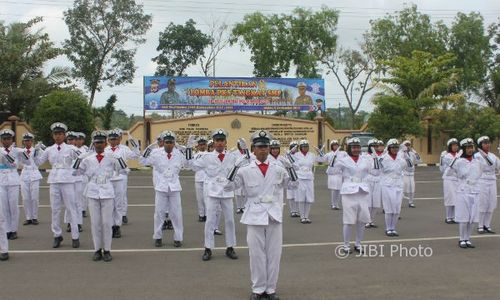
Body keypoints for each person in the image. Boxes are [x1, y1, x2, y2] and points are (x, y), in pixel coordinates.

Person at [225, 130, 296, 300]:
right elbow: (228, 187)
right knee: (256, 254)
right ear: (253, 149)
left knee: (274, 254)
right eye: (259, 147)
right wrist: (235, 166)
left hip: (274, 215)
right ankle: (258, 288)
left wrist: (291, 167)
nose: (263, 150)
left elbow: (294, 185)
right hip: (254, 215)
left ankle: (271, 289)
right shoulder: (245, 169)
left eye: (266, 146)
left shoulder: (278, 168)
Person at [74, 130, 128, 262]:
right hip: (92, 192)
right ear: (93, 143)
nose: (98, 145)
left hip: (107, 192)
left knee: (106, 223)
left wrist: (119, 159)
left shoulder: (112, 157)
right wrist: (79, 158)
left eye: (101, 142)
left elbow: (125, 171)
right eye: (96, 142)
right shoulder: (87, 159)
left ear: (105, 143)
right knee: (95, 223)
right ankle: (97, 249)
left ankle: (107, 250)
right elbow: (75, 172)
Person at [190, 129, 240, 261]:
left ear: (225, 142)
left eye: (222, 140)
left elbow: (245, 163)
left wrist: (245, 150)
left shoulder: (232, 156)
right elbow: (193, 167)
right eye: (217, 140)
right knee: (210, 221)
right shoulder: (207, 157)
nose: (219, 143)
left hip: (227, 192)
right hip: (212, 193)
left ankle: (230, 247)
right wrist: (189, 149)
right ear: (213, 142)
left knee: (230, 220)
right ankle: (208, 248)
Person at [139, 131, 190, 248]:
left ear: (174, 143)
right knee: (159, 213)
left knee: (176, 214)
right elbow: (142, 161)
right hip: (161, 188)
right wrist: (148, 148)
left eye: (171, 142)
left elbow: (188, 164)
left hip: (174, 188)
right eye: (167, 142)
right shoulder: (156, 153)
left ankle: (178, 237)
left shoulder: (179, 154)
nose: (169, 144)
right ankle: (158, 237)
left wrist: (188, 149)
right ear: (163, 142)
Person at [34, 122, 81, 248]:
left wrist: (75, 170)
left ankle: (75, 236)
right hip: (54, 180)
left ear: (64, 135)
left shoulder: (71, 148)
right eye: (56, 134)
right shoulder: (49, 149)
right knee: (55, 210)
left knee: (71, 208)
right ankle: (57, 235)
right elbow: (38, 162)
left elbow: (82, 159)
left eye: (60, 134)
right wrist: (35, 151)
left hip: (67, 180)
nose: (58, 136)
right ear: (53, 136)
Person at [328, 137, 374, 254]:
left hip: (362, 191)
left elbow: (375, 172)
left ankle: (358, 244)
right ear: (349, 148)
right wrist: (333, 159)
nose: (356, 149)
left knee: (362, 219)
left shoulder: (365, 160)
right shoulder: (344, 160)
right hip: (348, 192)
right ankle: (346, 245)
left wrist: (376, 159)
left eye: (358, 147)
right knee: (348, 220)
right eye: (353, 147)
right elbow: (331, 171)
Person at [105, 128, 140, 238]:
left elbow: (136, 155)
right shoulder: (105, 150)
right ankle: (110, 225)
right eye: (111, 139)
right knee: (109, 203)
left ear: (119, 139)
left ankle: (117, 226)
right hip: (109, 179)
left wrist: (133, 142)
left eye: (116, 139)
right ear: (108, 140)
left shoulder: (124, 149)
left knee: (119, 202)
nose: (114, 141)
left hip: (121, 177)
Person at [0, 129, 30, 241]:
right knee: (4, 207)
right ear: (1, 140)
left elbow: (28, 162)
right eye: (4, 139)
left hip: (13, 180)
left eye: (8, 139)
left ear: (11, 140)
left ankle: (13, 230)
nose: (6, 141)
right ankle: (7, 230)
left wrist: (24, 154)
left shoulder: (17, 151)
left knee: (13, 206)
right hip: (1, 180)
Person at [452, 138, 482, 248]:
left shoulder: (477, 161)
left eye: (471, 147)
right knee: (464, 218)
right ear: (464, 149)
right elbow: (450, 172)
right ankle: (461, 239)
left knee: (472, 218)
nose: (470, 149)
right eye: (468, 147)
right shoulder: (459, 161)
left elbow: (479, 174)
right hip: (463, 191)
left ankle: (468, 238)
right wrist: (455, 158)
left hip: (475, 191)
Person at [379, 139, 406, 237]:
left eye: (396, 148)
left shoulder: (401, 159)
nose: (395, 149)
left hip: (398, 184)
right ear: (389, 148)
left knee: (397, 208)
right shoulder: (383, 158)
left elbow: (406, 167)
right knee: (389, 207)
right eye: (393, 147)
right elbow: (380, 170)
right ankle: (388, 228)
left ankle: (393, 228)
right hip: (387, 185)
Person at [290, 139, 320, 223]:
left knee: (308, 198)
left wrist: (319, 151)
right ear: (300, 147)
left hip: (309, 178)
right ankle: (302, 217)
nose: (305, 148)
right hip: (300, 178)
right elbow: (288, 158)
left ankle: (307, 216)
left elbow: (322, 159)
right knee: (301, 197)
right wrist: (292, 151)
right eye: (303, 147)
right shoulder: (296, 155)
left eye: (306, 146)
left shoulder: (312, 155)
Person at [474, 136, 499, 234]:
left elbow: (498, 165)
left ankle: (487, 225)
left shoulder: (493, 156)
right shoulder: (477, 156)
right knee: (482, 203)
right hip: (482, 180)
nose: (487, 145)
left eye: (488, 142)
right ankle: (480, 225)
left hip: (492, 180)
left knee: (491, 203)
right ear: (480, 145)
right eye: (485, 143)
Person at [20, 132, 43, 226]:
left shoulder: (37, 150)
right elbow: (20, 162)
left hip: (34, 174)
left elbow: (38, 162)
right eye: (25, 141)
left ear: (32, 141)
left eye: (29, 140)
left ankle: (34, 217)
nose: (27, 142)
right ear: (23, 142)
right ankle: (28, 218)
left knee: (34, 197)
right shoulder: (20, 151)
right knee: (25, 198)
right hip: (24, 174)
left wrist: (37, 153)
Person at [439, 138, 460, 224]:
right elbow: (453, 165)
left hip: (457, 179)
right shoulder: (446, 156)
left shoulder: (459, 155)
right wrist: (458, 157)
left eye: (456, 145)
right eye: (453, 145)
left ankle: (455, 217)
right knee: (449, 198)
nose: (455, 147)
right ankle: (448, 217)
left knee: (456, 199)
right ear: (449, 147)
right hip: (449, 179)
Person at [364, 139, 382, 228]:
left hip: (378, 180)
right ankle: (367, 220)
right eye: (373, 146)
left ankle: (371, 220)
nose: (375, 148)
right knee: (368, 202)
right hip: (368, 179)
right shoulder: (365, 156)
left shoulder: (380, 157)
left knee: (376, 202)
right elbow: (367, 168)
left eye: (376, 146)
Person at [323, 140, 345, 210]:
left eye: (336, 145)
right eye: (334, 145)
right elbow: (322, 159)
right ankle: (333, 204)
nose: (335, 146)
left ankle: (337, 204)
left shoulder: (343, 153)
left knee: (339, 189)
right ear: (331, 146)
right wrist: (320, 153)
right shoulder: (329, 154)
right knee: (334, 189)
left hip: (339, 173)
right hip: (332, 174)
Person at [400, 140, 421, 208]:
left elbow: (419, 160)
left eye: (409, 145)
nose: (408, 146)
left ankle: (411, 202)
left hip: (411, 174)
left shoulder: (412, 153)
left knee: (412, 188)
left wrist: (414, 151)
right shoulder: (401, 154)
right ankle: (399, 202)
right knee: (402, 189)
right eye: (406, 145)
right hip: (404, 174)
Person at [194, 137, 208, 222]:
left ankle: (207, 214)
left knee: (207, 198)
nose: (202, 146)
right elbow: (194, 166)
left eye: (204, 144)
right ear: (198, 146)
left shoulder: (210, 155)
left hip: (207, 179)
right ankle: (201, 214)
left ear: (206, 145)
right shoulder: (195, 156)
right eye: (200, 145)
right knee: (200, 198)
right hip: (198, 178)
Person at [285, 141, 299, 218]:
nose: (294, 149)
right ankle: (292, 211)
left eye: (296, 148)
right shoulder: (287, 155)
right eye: (293, 147)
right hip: (289, 175)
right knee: (291, 195)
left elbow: (297, 166)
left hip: (297, 175)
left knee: (297, 194)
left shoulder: (299, 156)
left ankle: (296, 210)